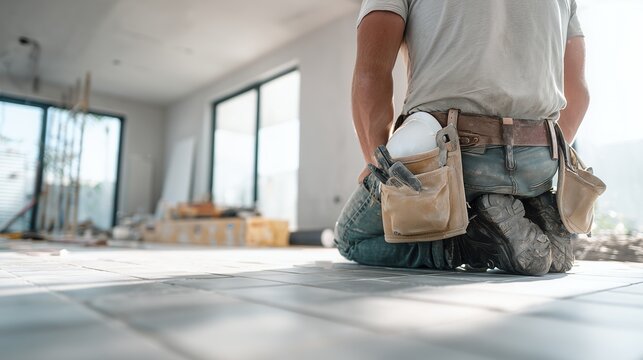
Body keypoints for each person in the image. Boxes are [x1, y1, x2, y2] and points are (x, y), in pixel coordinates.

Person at [334, 0, 589, 275]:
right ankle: (533, 204)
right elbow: (578, 96)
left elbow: (370, 77)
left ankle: (476, 244)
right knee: (521, 177)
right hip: (539, 160)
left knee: (351, 238)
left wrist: (375, 161)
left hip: (451, 155)